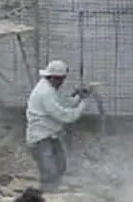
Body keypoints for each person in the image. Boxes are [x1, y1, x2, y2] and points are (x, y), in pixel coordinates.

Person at [25, 59, 88, 190]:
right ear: (55, 78)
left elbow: (64, 102)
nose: (62, 83)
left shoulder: (49, 88)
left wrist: (78, 98)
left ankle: (52, 193)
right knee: (50, 173)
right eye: (61, 79)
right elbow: (64, 116)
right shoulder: (45, 92)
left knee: (60, 166)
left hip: (49, 136)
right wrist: (82, 105)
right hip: (40, 139)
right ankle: (47, 198)